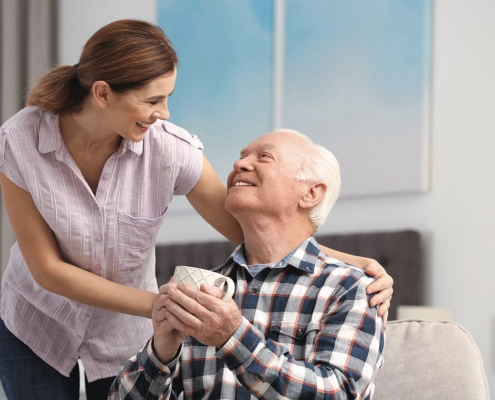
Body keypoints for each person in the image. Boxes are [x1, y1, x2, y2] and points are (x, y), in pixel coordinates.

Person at [0, 20, 391, 399]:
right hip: (38, 321)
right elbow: (46, 270)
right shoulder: (19, 142)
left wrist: (349, 264)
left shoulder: (171, 150)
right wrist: (166, 306)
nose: (165, 113)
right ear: (102, 94)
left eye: (167, 97)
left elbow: (252, 229)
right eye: (153, 100)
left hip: (123, 330)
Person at [109, 130, 385, 399]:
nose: (239, 164)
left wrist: (233, 338)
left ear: (311, 193)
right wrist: (161, 353)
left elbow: (340, 393)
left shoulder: (351, 288)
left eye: (264, 157)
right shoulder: (201, 290)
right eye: (242, 156)